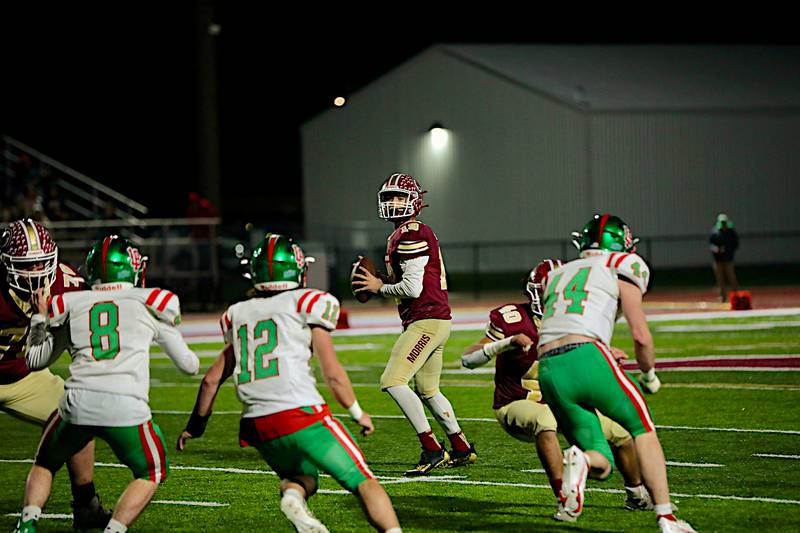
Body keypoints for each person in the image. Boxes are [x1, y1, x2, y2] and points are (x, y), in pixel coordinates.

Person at [177, 234, 401, 533]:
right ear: (296, 269)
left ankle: (293, 497)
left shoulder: (238, 313)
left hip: (257, 424)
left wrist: (195, 426)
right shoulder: (308, 301)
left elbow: (211, 379)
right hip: (300, 413)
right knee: (363, 481)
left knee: (303, 476)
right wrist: (358, 411)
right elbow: (331, 372)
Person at [17, 235, 200, 533]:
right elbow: (190, 366)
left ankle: (27, 524)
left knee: (46, 461)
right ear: (131, 269)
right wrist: (165, 329)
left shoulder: (72, 304)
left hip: (77, 403)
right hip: (125, 406)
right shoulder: (148, 303)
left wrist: (39, 317)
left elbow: (35, 360)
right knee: (152, 471)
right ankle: (114, 530)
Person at [535, 214, 695, 532]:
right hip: (586, 356)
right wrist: (649, 373)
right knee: (643, 429)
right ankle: (666, 517)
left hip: (549, 368)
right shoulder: (624, 263)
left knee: (601, 463)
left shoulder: (559, 272)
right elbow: (640, 335)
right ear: (619, 242)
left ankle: (580, 461)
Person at [461, 259, 653, 521]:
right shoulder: (513, 318)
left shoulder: (574, 321)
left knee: (620, 431)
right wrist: (504, 343)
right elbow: (467, 359)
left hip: (565, 402)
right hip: (518, 402)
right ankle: (566, 498)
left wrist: (605, 353)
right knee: (545, 419)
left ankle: (636, 493)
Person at [353, 173, 477, 476]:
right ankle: (461, 447)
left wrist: (378, 288)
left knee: (393, 381)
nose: (393, 203)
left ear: (415, 201)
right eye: (389, 198)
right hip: (434, 319)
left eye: (399, 197)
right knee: (428, 388)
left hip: (426, 320)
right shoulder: (405, 233)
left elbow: (412, 289)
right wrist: (382, 279)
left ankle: (432, 449)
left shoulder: (411, 234)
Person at [0, 219, 111, 530]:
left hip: (24, 376)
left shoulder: (66, 282)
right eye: (26, 265)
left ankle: (86, 504)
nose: (36, 272)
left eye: (41, 264)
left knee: (80, 414)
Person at [709, 213, 739, 302]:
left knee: (731, 277)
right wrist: (717, 249)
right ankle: (722, 296)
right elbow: (711, 245)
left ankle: (735, 295)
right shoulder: (714, 232)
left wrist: (727, 249)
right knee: (720, 279)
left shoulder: (731, 232)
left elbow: (736, 244)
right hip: (718, 260)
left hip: (728, 259)